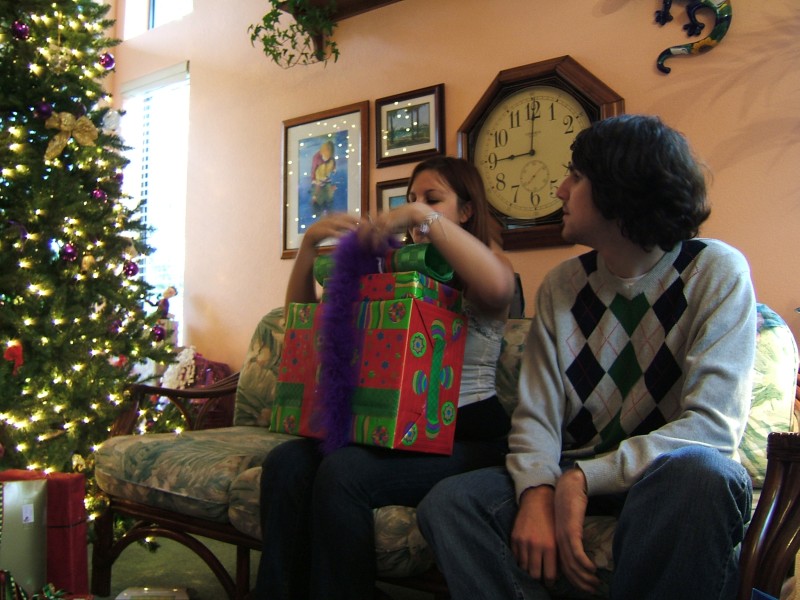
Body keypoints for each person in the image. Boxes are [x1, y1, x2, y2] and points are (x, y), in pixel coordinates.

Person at [416, 115, 756, 600]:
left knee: (704, 475)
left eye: (575, 175)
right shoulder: (562, 284)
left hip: (662, 483)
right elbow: (537, 416)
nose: (559, 189)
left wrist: (581, 479)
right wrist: (537, 489)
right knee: (450, 504)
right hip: (577, 465)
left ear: (620, 187)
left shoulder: (716, 271)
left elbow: (712, 429)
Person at [254, 156, 516, 599]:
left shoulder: (487, 263)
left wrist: (420, 216)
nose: (417, 209)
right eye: (412, 199)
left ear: (467, 211)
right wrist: (309, 246)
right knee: (285, 463)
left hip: (469, 435)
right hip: (401, 433)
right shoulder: (401, 268)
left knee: (345, 472)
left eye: (434, 199)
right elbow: (303, 317)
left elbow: (497, 288)